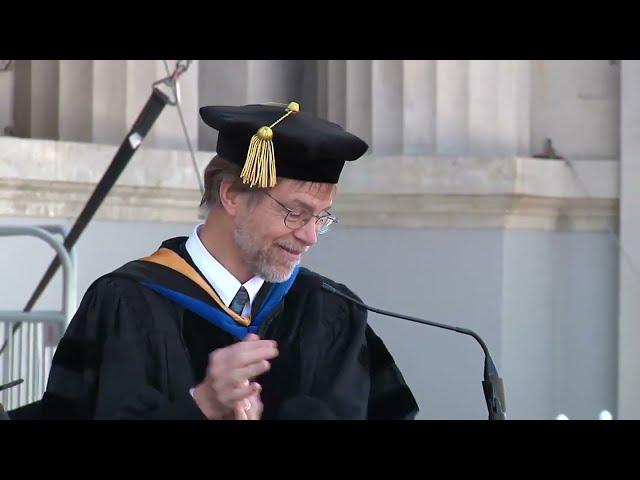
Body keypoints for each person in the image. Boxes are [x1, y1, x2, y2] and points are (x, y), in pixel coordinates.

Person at [41, 102, 418, 420]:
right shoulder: (126, 303)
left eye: (321, 217)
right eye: (295, 212)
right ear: (233, 195)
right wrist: (200, 405)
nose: (310, 236)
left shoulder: (330, 310)